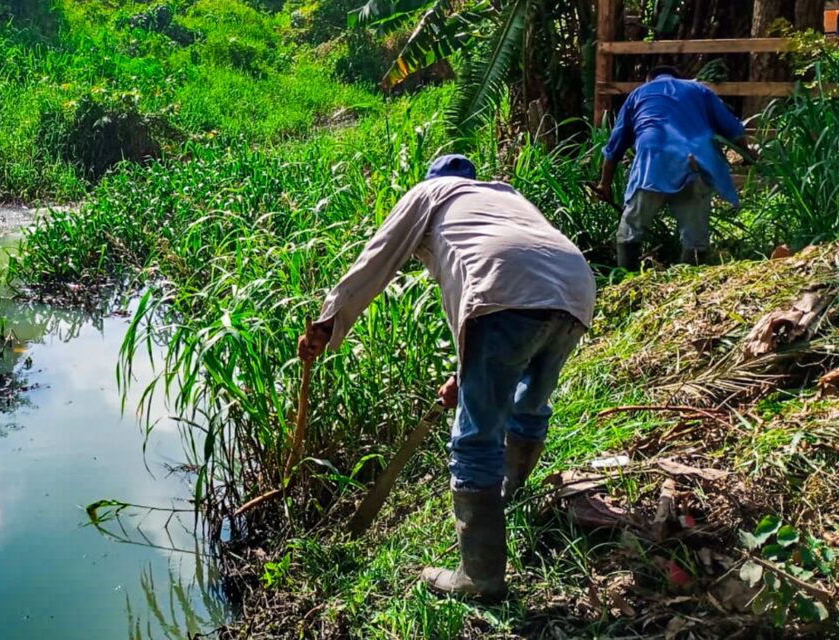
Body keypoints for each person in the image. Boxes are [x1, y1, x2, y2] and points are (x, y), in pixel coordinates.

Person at [297, 155, 596, 602]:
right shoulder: (502, 195)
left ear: (433, 182)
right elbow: (496, 275)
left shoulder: (429, 194)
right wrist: (465, 372)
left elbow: (375, 262)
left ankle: (480, 578)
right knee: (529, 399)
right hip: (576, 290)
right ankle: (509, 492)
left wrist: (328, 323)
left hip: (503, 294)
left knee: (475, 440)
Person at [594, 65, 758, 270]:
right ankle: (688, 285)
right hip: (694, 161)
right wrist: (749, 156)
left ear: (649, 80)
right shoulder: (699, 90)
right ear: (678, 78)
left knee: (630, 230)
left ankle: (625, 280)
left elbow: (613, 148)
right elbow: (734, 130)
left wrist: (604, 184)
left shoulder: (639, 94)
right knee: (695, 238)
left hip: (653, 162)